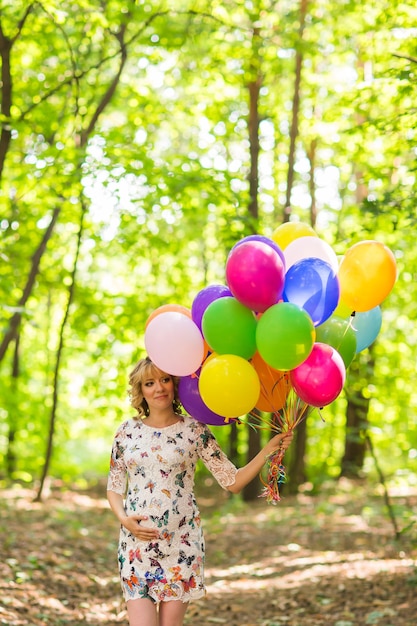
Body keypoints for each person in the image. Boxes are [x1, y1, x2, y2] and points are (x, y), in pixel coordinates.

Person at [107, 356, 293, 626]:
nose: (158, 388)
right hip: (138, 547)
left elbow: (232, 480)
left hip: (181, 544)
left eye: (164, 380)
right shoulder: (126, 432)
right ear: (141, 391)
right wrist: (124, 520)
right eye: (149, 383)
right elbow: (113, 487)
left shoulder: (194, 429)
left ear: (175, 384)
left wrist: (268, 451)